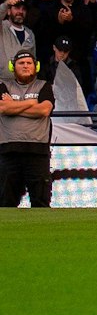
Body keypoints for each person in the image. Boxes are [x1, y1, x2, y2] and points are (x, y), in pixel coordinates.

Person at [0, 49, 53, 208]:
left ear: (35, 66)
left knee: (40, 203)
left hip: (38, 152)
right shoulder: (3, 86)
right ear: (12, 67)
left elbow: (44, 110)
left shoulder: (44, 86)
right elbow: (3, 109)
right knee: (5, 203)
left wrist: (14, 106)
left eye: (29, 63)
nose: (25, 66)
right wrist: (31, 103)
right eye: (21, 63)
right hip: (8, 152)